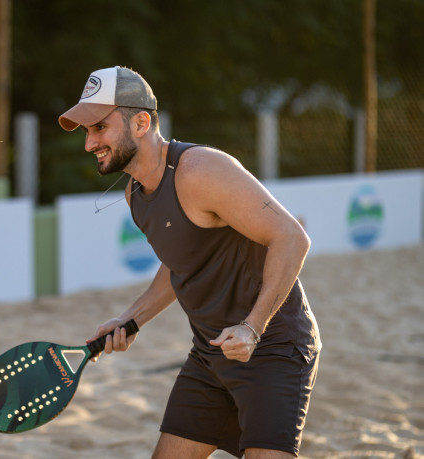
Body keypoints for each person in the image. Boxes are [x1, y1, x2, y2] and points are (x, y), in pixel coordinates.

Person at [59, 66, 321, 458]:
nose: (89, 143)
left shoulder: (201, 170)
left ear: (141, 122)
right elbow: (181, 262)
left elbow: (292, 238)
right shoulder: (135, 194)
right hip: (210, 353)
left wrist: (252, 327)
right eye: (87, 132)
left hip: (272, 348)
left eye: (99, 128)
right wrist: (131, 319)